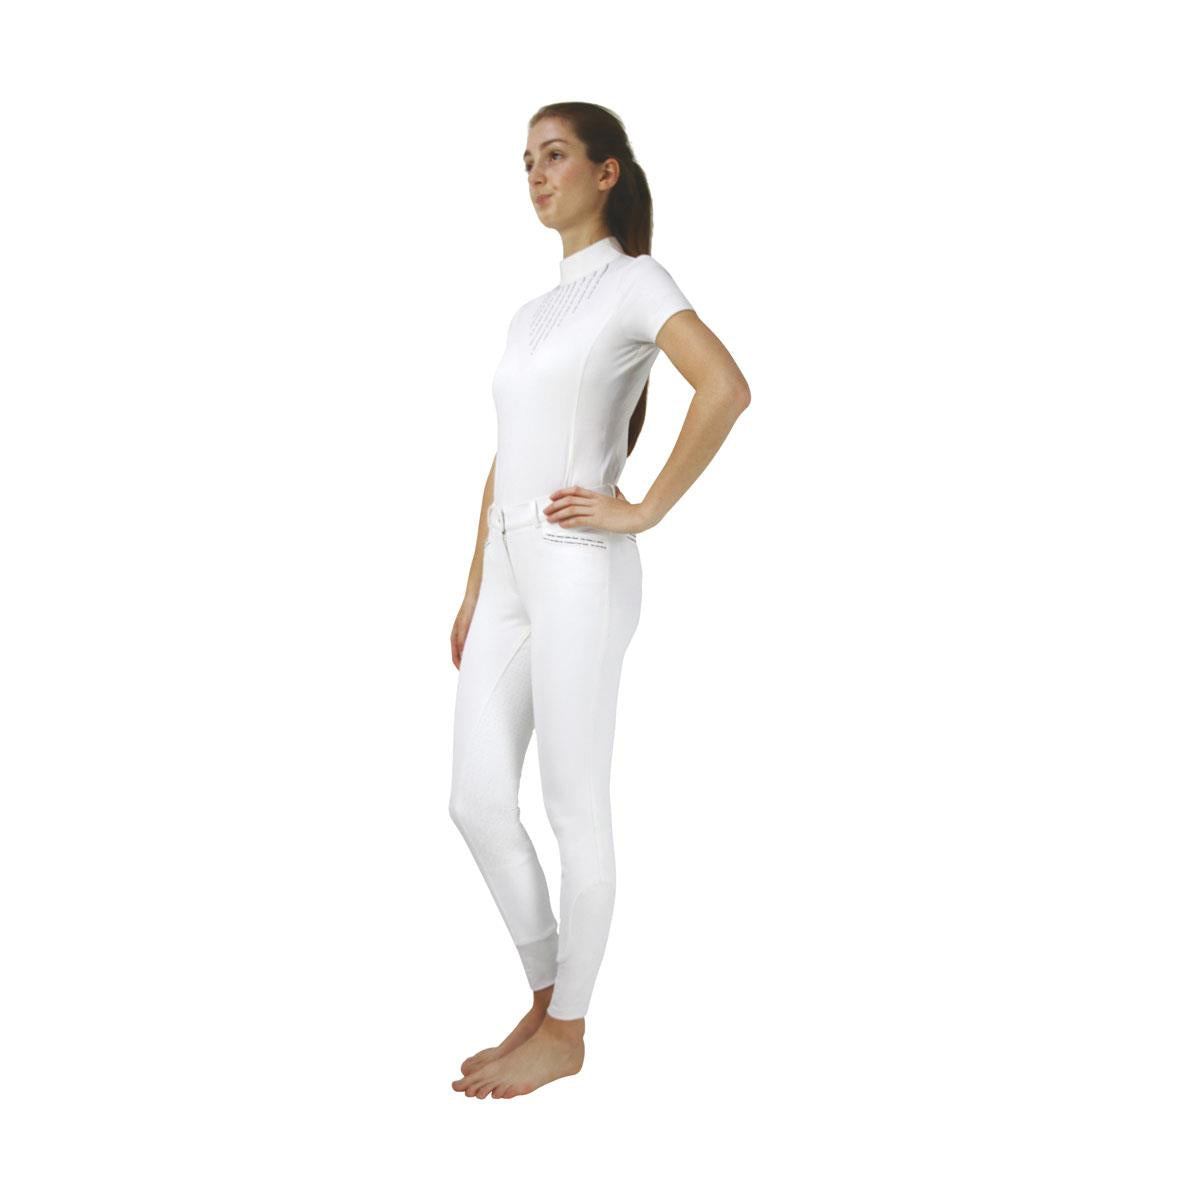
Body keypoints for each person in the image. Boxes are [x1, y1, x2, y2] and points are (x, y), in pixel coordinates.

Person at [448, 102, 750, 1099]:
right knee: (476, 800)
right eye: (526, 161)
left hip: (580, 564)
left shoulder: (635, 282)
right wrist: (473, 585)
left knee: (573, 805)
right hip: (507, 570)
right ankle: (547, 999)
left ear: (607, 172)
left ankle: (568, 1029)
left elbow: (725, 387)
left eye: (556, 156)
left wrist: (644, 508)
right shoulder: (529, 315)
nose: (537, 175)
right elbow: (507, 453)